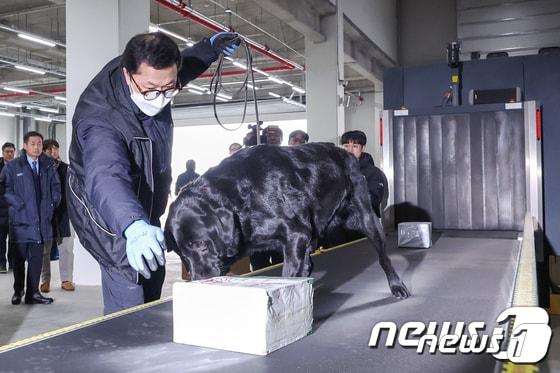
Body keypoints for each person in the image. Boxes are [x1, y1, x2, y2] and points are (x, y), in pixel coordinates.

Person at [67, 31, 240, 314]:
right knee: (130, 276)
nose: (160, 98)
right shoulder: (100, 119)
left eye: (169, 88)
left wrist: (209, 48)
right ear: (127, 75)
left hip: (142, 195)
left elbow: (183, 66)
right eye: (150, 90)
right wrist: (133, 226)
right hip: (103, 207)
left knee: (154, 270)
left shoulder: (156, 79)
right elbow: (106, 175)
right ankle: (127, 346)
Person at [0, 131, 60, 305]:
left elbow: (56, 188)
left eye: (39, 144)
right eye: (33, 144)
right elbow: (3, 189)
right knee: (18, 260)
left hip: (40, 222)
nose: (37, 147)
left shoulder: (48, 165)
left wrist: (51, 205)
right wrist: (18, 205)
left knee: (36, 260)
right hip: (20, 222)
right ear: (25, 146)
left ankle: (33, 293)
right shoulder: (13, 167)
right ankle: (18, 291)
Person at [40, 139, 74, 292]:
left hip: (62, 214)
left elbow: (71, 190)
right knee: (45, 250)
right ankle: (45, 280)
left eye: (56, 149)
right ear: (44, 151)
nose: (53, 152)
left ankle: (66, 280)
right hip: (45, 214)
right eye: (50, 150)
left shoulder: (66, 168)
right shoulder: (39, 168)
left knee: (65, 249)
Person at [340, 130, 388, 217]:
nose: (350, 150)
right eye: (346, 146)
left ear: (363, 148)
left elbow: (374, 201)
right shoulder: (336, 170)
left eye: (355, 146)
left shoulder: (373, 173)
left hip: (365, 223)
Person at [0, 142, 16, 273]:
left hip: (14, 210)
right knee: (0, 239)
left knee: (13, 240)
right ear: (2, 152)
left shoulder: (19, 166)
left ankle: (12, 263)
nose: (10, 154)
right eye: (7, 152)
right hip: (1, 209)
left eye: (12, 151)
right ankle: (1, 264)